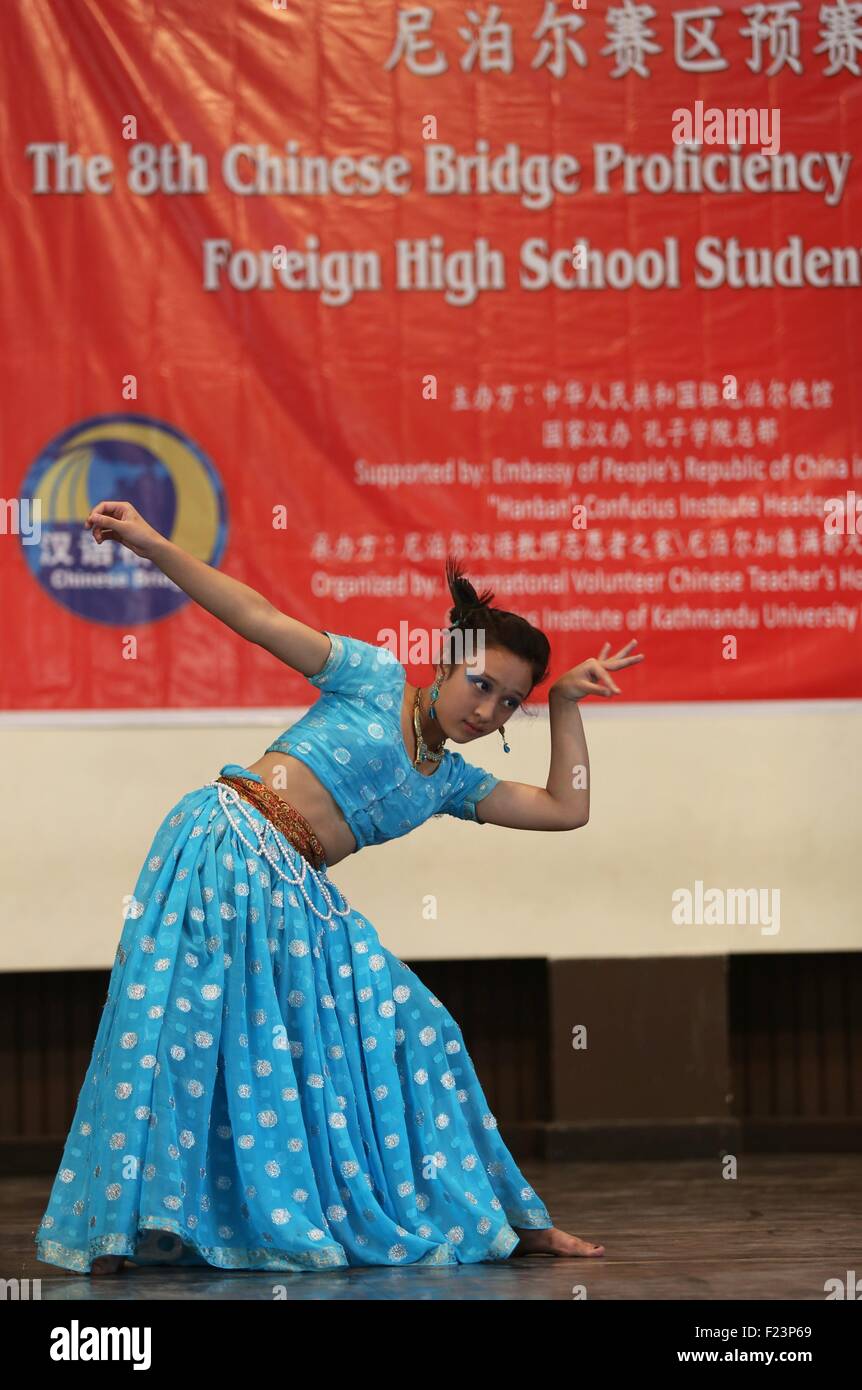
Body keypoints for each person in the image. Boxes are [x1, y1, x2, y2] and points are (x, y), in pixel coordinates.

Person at [35, 500, 644, 1275]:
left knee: (423, 1029)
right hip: (226, 843)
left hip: (298, 893)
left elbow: (568, 808)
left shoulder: (449, 780)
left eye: (508, 703)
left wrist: (565, 706)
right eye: (480, 685)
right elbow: (255, 617)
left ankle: (510, 1221)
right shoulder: (372, 679)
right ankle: (115, 1232)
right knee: (178, 1033)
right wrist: (153, 545)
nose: (486, 710)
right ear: (444, 663)